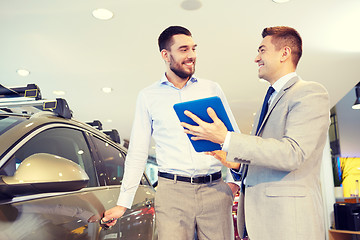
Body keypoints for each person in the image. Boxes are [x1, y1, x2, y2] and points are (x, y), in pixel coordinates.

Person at [180, 26, 330, 240]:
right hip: (262, 222)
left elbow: (293, 154)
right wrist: (239, 166)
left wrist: (227, 138)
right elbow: (270, 159)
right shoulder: (268, 100)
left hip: (289, 224)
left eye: (262, 50)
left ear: (284, 53)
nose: (256, 58)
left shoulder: (310, 92)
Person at [102, 26, 240, 240]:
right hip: (172, 193)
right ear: (166, 55)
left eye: (194, 49)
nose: (192, 55)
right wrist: (123, 203)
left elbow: (234, 139)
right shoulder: (148, 96)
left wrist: (234, 182)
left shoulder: (211, 89)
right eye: (184, 49)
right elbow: (138, 151)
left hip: (215, 190)